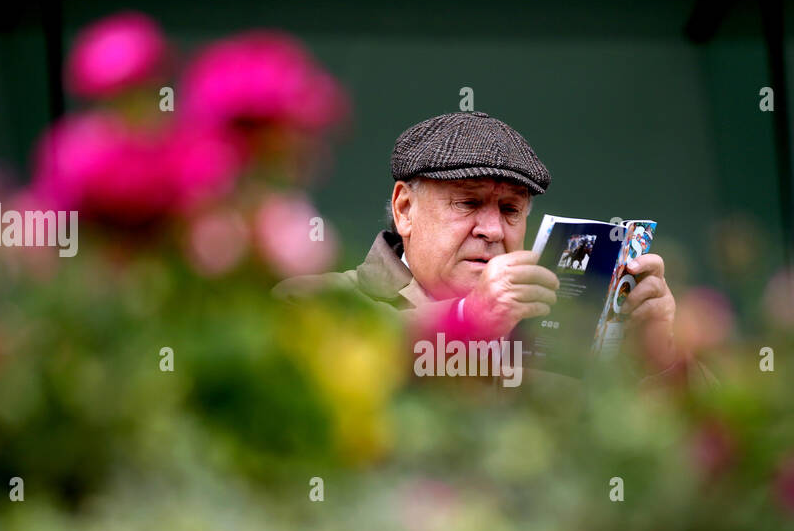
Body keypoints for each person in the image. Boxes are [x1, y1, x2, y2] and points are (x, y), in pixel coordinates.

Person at [274, 110, 700, 384]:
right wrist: (467, 320)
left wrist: (661, 355)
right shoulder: (315, 300)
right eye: (469, 202)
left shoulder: (562, 327)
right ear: (404, 209)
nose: (493, 230)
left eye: (511, 209)